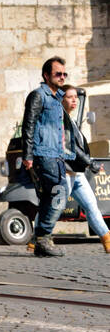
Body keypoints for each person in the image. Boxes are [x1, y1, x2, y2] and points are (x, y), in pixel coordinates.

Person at [21, 56, 71, 257]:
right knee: (61, 192)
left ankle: (40, 240)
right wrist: (28, 154)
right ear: (46, 75)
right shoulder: (38, 95)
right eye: (58, 74)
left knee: (47, 198)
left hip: (56, 154)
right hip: (43, 154)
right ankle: (43, 237)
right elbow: (29, 124)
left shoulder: (57, 97)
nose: (62, 77)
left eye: (64, 74)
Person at [61, 86, 110, 253]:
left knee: (91, 205)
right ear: (61, 99)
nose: (75, 100)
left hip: (77, 173)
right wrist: (90, 163)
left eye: (76, 97)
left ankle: (107, 240)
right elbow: (71, 147)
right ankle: (36, 240)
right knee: (55, 207)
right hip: (66, 172)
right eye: (70, 97)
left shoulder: (71, 120)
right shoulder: (60, 120)